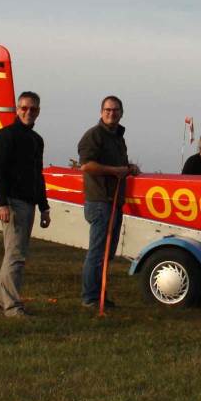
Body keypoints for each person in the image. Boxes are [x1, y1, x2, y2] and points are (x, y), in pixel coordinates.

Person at [0, 90, 51, 317]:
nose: (28, 112)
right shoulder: (5, 135)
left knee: (14, 254)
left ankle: (3, 303)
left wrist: (44, 207)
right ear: (17, 109)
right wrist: (2, 204)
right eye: (24, 108)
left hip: (29, 204)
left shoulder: (37, 140)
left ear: (38, 111)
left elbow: (38, 176)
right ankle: (12, 307)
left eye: (33, 109)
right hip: (13, 203)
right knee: (15, 256)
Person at [77, 96, 140, 309]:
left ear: (121, 113)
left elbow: (119, 165)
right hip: (100, 202)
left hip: (114, 201)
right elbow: (86, 165)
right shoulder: (94, 135)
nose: (111, 113)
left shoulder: (118, 138)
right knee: (97, 252)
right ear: (101, 112)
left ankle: (100, 294)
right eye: (107, 110)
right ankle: (90, 298)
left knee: (107, 253)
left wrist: (129, 168)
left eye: (115, 110)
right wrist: (114, 171)